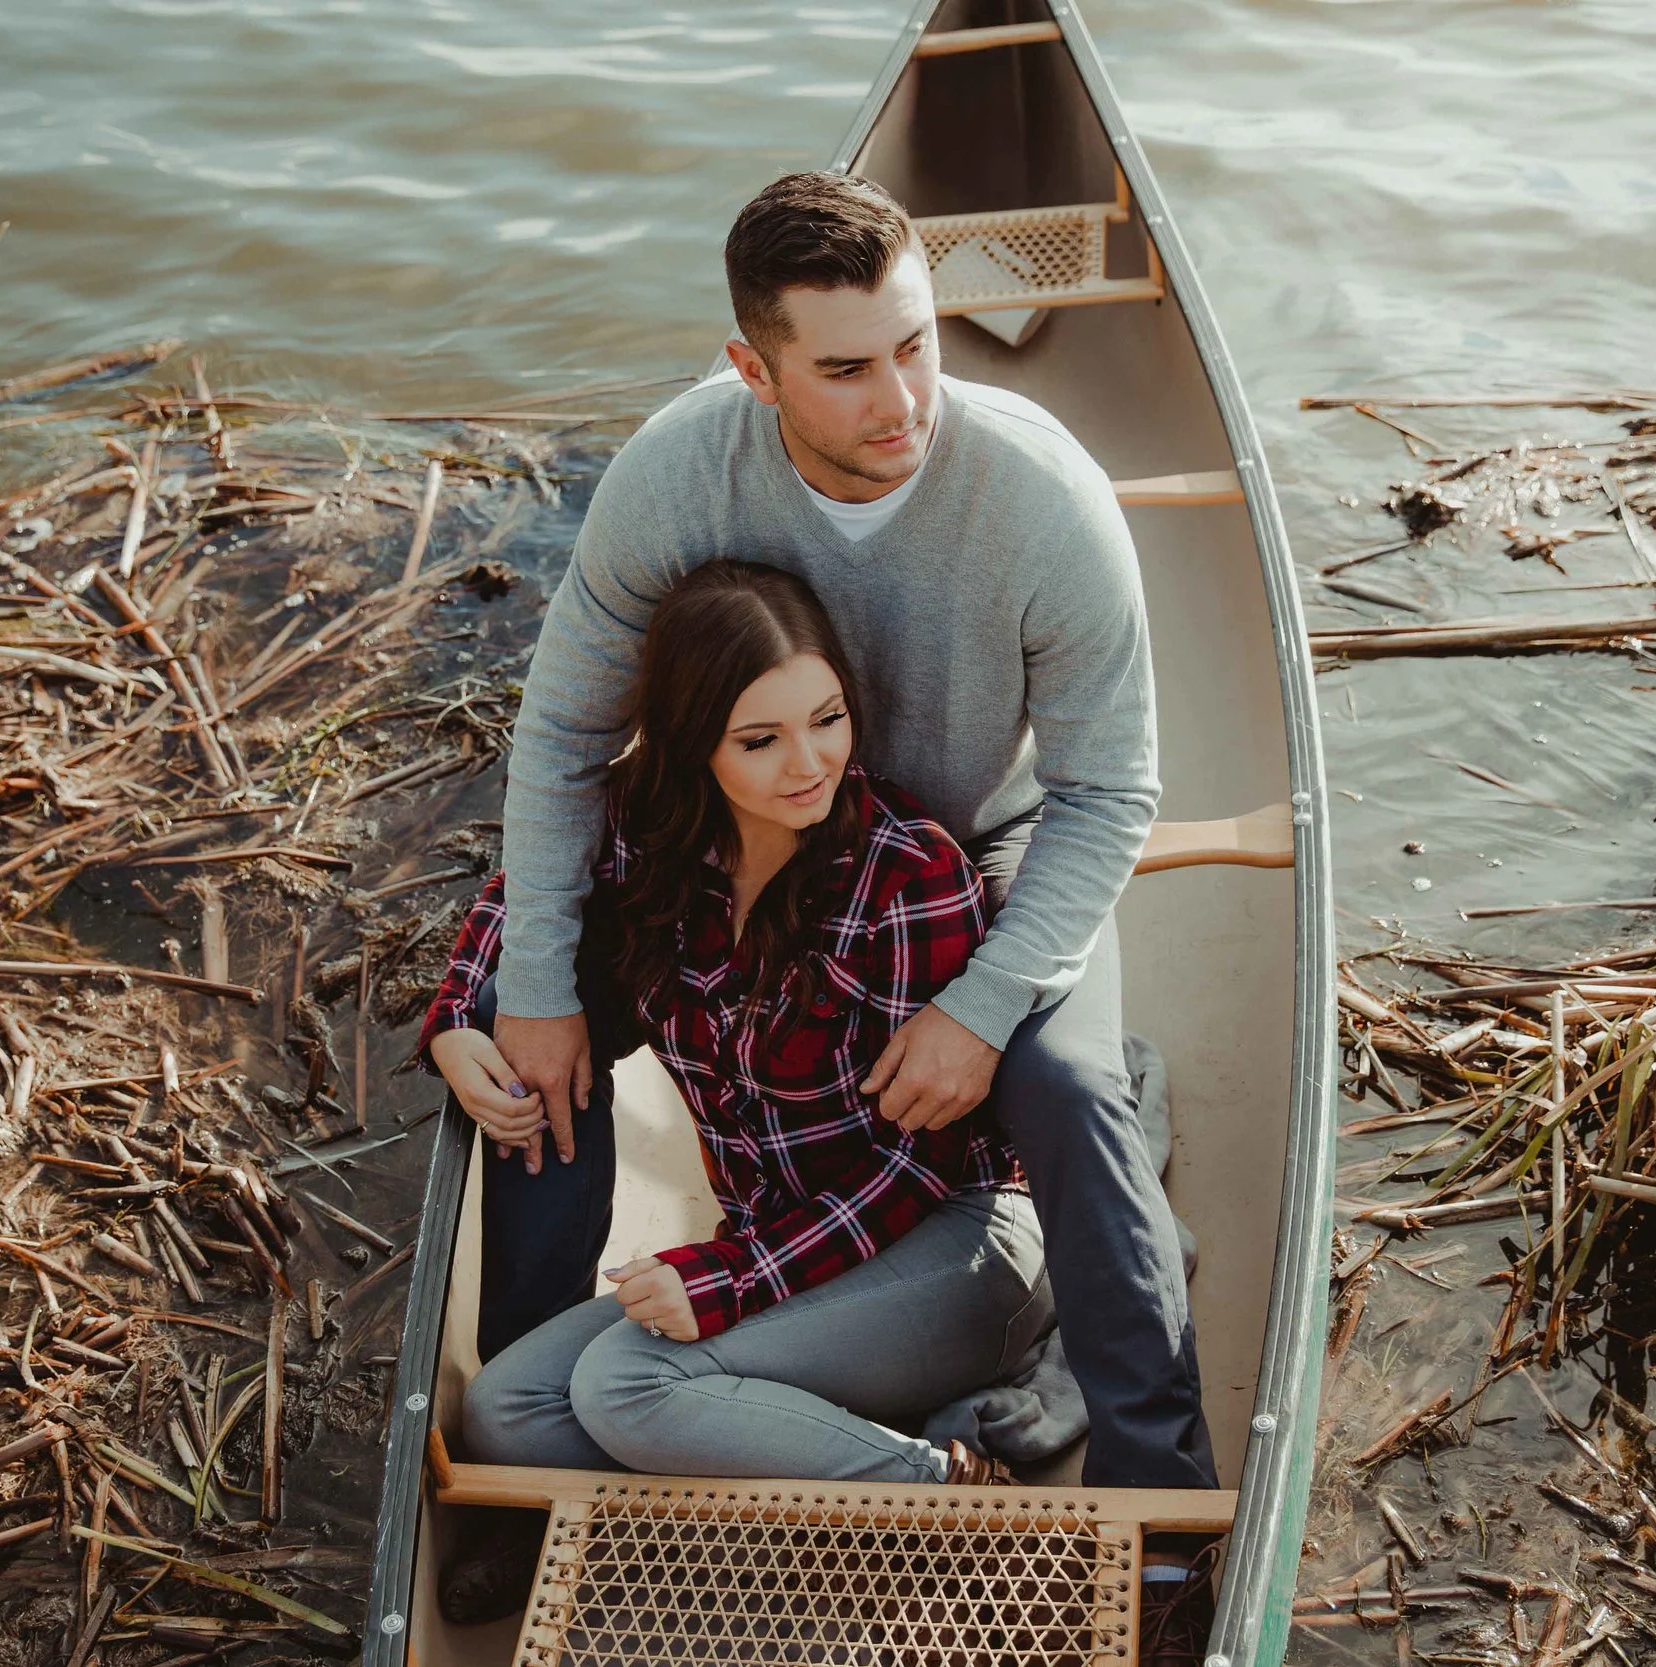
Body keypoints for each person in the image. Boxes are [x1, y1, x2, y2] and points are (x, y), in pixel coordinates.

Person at [475, 170, 1220, 1657]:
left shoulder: (1042, 497)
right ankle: (524, 1422)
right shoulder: (679, 471)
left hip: (989, 839)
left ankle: (1162, 1503)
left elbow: (1108, 794)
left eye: (921, 342)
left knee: (1064, 1082)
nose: (904, 397)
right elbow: (561, 743)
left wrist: (979, 1005)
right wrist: (526, 984)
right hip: (775, 827)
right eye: (847, 366)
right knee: (540, 1029)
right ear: (752, 368)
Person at [422, 562, 1053, 1612]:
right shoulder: (645, 825)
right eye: (760, 741)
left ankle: (947, 1483)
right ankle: (782, 1436)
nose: (809, 764)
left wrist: (728, 1281)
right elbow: (518, 891)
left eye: (828, 718)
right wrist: (454, 1021)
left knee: (625, 1385)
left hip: (952, 1242)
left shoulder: (909, 878)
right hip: (779, 1237)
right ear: (691, 746)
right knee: (506, 1406)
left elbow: (918, 1157)